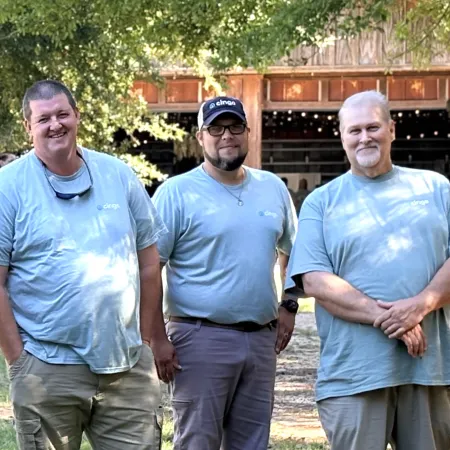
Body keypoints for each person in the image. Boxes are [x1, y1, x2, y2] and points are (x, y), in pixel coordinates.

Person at [0, 79, 170, 449]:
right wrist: (19, 360)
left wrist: (143, 339)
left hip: (127, 368)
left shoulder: (119, 175)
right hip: (46, 368)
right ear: (28, 127)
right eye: (43, 118)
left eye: (63, 114)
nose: (55, 124)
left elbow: (148, 262)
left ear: (78, 116)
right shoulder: (7, 187)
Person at [285, 90, 450, 450]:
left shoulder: (437, 189)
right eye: (354, 130)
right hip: (354, 373)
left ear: (391, 129)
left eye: (373, 127)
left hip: (431, 369)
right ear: (342, 137)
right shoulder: (322, 202)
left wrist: (421, 304)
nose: (365, 137)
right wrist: (395, 320)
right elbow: (314, 280)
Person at [152, 96, 297, 450]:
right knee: (198, 443)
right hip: (199, 338)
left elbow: (293, 249)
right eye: (215, 128)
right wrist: (157, 338)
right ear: (200, 137)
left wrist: (289, 303)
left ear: (248, 133)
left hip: (261, 341)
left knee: (252, 443)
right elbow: (148, 268)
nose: (226, 135)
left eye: (234, 127)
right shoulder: (176, 193)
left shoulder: (272, 187)